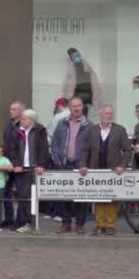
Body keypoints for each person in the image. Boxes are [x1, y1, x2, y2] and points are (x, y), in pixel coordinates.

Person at [81, 105, 130, 236]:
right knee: (98, 197)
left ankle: (109, 225)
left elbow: (127, 150)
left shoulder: (120, 130)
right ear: (100, 115)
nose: (108, 116)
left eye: (110, 114)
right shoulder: (92, 130)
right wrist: (83, 165)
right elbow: (85, 150)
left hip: (114, 170)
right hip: (96, 168)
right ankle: (100, 224)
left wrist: (122, 166)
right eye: (106, 113)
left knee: (111, 197)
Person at [50, 97, 92, 234]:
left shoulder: (89, 125)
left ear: (82, 107)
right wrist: (57, 160)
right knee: (63, 196)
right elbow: (55, 142)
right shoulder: (62, 123)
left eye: (79, 105)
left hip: (81, 166)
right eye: (73, 106)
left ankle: (80, 224)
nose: (76, 108)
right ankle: (66, 223)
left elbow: (92, 147)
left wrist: (86, 163)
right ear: (70, 107)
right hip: (64, 164)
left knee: (82, 196)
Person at [6, 108, 50, 233]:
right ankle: (22, 222)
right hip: (21, 168)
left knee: (29, 196)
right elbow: (12, 150)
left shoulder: (40, 130)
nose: (21, 120)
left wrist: (42, 165)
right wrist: (16, 164)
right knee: (22, 196)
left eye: (24, 118)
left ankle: (27, 222)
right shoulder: (16, 131)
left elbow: (43, 149)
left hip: (34, 168)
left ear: (31, 120)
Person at [2, 101, 27, 227]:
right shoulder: (9, 124)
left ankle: (20, 221)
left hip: (19, 164)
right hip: (7, 163)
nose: (11, 111)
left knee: (21, 193)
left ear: (21, 111)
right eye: (10, 109)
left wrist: (19, 163)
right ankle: (9, 218)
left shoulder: (23, 124)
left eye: (14, 109)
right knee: (6, 192)